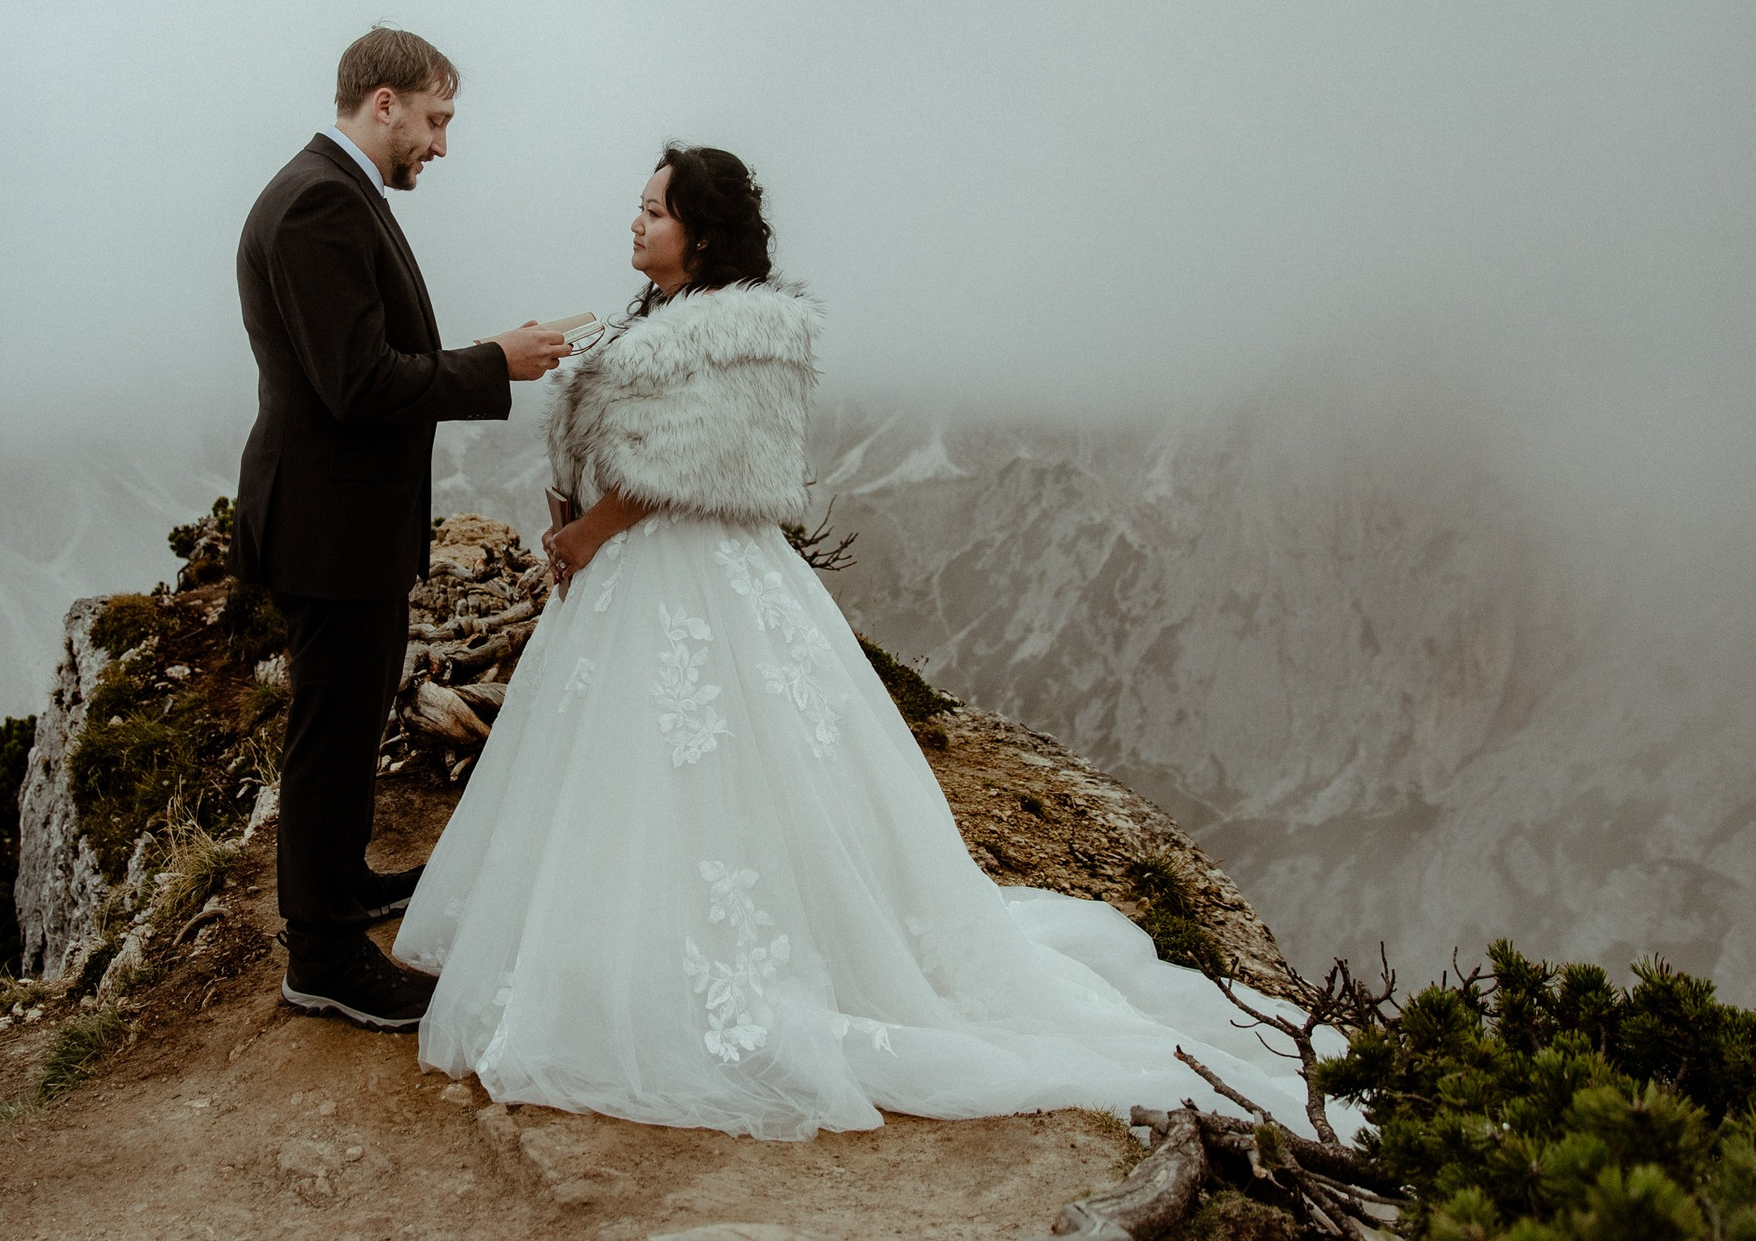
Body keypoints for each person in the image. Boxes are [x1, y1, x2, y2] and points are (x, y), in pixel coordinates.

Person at [393, 144, 1347, 1139]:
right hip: (628, 572)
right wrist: (572, 509)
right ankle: (611, 943)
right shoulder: (654, 318)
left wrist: (590, 530)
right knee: (633, 771)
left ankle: (731, 965)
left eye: (654, 212)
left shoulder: (743, 332)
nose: (634, 224)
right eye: (636, 209)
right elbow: (615, 441)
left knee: (714, 763)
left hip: (688, 569)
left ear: (703, 232)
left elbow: (699, 457)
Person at [234, 27, 570, 1030]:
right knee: (331, 734)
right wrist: (492, 362)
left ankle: (342, 886)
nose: (440, 144)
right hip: (327, 525)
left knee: (346, 716)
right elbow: (358, 381)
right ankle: (323, 958)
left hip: (343, 520)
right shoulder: (321, 203)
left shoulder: (326, 191)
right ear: (382, 102)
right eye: (434, 120)